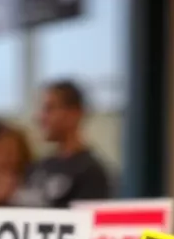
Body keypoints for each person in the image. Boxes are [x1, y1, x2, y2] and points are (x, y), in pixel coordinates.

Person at [23, 80, 112, 208]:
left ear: (75, 114)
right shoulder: (41, 166)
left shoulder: (90, 172)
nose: (40, 118)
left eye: (49, 109)